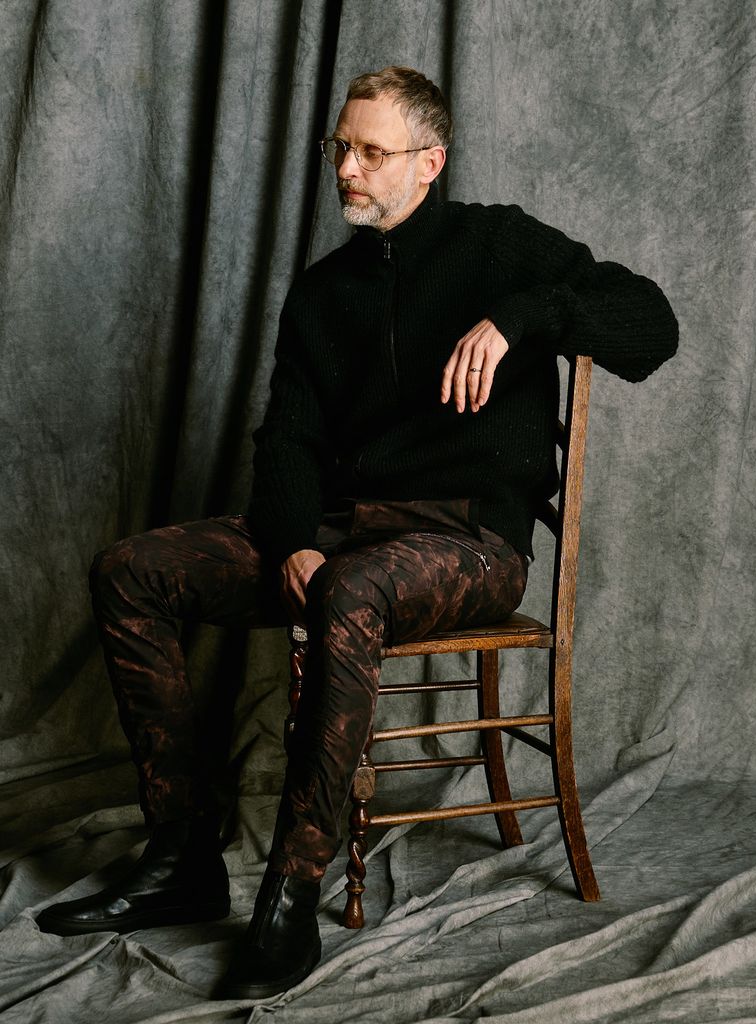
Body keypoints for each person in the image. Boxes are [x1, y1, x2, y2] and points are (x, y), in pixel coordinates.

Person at [36, 67, 678, 998]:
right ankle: (180, 856)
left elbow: (653, 324)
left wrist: (520, 316)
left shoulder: (499, 245)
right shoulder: (322, 290)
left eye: (372, 152)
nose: (347, 168)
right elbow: (287, 438)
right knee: (130, 571)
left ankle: (291, 892)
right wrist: (293, 539)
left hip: (469, 544)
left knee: (350, 587)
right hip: (343, 533)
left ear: (430, 163)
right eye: (341, 147)